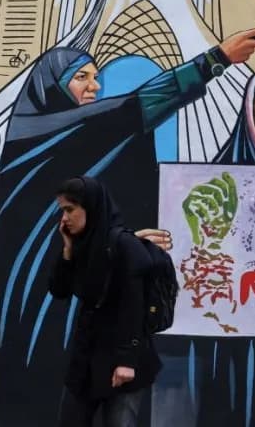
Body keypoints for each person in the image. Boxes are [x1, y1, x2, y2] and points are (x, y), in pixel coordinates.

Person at [0, 32, 255, 422]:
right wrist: (214, 60)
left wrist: (120, 243)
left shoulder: (63, 137)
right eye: (81, 77)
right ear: (51, 86)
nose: (95, 86)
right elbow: (138, 106)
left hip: (86, 311)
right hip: (36, 297)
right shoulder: (48, 133)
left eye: (95, 76)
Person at [49, 176, 161, 427]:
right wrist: (67, 251)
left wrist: (126, 362)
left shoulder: (125, 245)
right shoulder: (83, 245)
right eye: (62, 211)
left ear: (91, 207)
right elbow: (59, 290)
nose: (64, 218)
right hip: (88, 359)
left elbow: (135, 306)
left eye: (70, 209)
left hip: (123, 359)